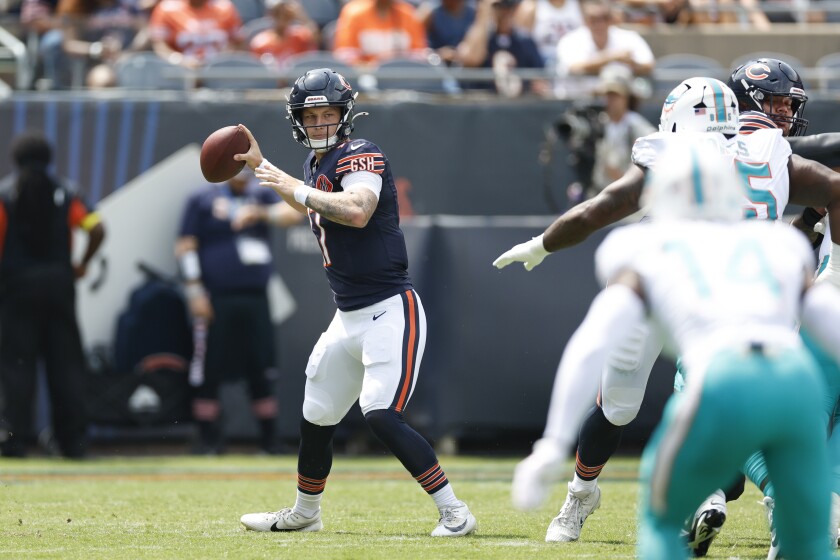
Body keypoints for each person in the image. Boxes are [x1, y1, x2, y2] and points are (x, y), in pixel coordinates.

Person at [493, 75, 840, 548]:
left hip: (712, 338)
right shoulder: (779, 227)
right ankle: (589, 493)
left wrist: (551, 443)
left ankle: (698, 498)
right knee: (620, 404)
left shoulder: (646, 247)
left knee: (670, 411)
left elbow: (603, 221)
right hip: (772, 340)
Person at [234, 68, 477, 537]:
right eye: (312, 114)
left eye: (328, 113)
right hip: (346, 315)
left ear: (345, 115)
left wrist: (291, 184)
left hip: (390, 307)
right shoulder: (313, 167)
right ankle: (305, 513)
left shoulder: (361, 154)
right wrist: (264, 171)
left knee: (381, 413)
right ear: (298, 119)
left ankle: (455, 510)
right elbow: (309, 205)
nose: (321, 123)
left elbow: (357, 210)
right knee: (316, 414)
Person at [175, 167, 302, 455]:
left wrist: (260, 213)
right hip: (215, 297)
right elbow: (185, 245)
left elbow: (294, 214)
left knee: (262, 367)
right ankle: (208, 440)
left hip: (256, 297)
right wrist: (194, 292)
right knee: (210, 367)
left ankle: (270, 441)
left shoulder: (259, 195)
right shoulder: (202, 198)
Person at [0, 131, 106, 458]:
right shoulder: (68, 192)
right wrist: (82, 264)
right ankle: (73, 443)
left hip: (16, 290)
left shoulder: (5, 194)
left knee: (17, 367)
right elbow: (97, 227)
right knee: (66, 367)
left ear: (16, 159)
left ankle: (14, 442)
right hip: (60, 287)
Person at [553, 0, 654, 99]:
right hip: (577, 103)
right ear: (585, 20)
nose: (599, 24)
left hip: (617, 107)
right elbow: (574, 68)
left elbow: (649, 65)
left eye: (604, 18)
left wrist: (632, 63)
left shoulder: (629, 37)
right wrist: (612, 57)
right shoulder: (570, 40)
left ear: (611, 19)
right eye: (593, 19)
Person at [587, 64, 655, 200]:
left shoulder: (636, 125)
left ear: (626, 97)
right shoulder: (598, 123)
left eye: (615, 94)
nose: (610, 100)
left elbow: (654, 159)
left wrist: (625, 178)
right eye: (607, 94)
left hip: (629, 199)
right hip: (600, 194)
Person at [456, 0, 547, 97]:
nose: (505, 10)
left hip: (519, 104)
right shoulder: (481, 37)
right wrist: (484, 13)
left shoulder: (524, 40)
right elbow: (471, 59)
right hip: (485, 104)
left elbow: (540, 78)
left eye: (509, 5)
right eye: (499, 6)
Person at [148, 0, 243, 69]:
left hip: (218, 73)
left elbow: (238, 43)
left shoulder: (224, 7)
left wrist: (221, 60)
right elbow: (160, 46)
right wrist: (180, 61)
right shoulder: (167, 8)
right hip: (180, 73)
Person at [332, 0, 429, 67]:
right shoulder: (353, 12)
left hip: (402, 78)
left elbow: (419, 54)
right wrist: (370, 67)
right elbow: (345, 55)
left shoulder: (408, 13)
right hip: (364, 80)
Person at [248, 0, 319, 67]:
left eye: (286, 15)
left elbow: (316, 38)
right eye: (277, 13)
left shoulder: (300, 36)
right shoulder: (259, 42)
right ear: (270, 15)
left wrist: (300, 14)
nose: (281, 18)